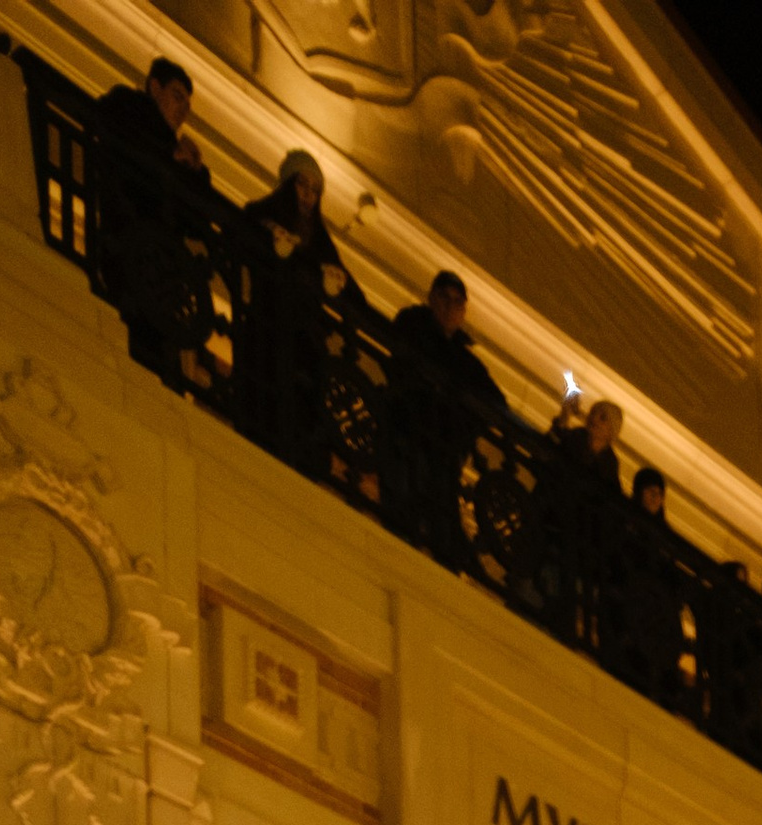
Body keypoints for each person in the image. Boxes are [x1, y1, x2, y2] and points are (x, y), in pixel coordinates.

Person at [86, 58, 216, 393]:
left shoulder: (176, 150)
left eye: (187, 103)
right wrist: (169, 158)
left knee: (156, 346)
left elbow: (198, 223)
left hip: (161, 267)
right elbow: (113, 135)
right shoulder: (126, 107)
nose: (183, 108)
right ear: (154, 87)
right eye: (177, 96)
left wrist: (196, 173)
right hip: (128, 245)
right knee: (132, 329)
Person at [232, 149, 361, 477]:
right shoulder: (264, 215)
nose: (308, 195)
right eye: (303, 185)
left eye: (315, 190)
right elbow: (241, 231)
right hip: (268, 325)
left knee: (300, 405)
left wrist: (337, 282)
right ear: (289, 185)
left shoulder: (320, 241)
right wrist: (268, 239)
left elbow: (353, 294)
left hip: (305, 342)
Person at [383, 273, 513, 568]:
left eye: (458, 302)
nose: (450, 307)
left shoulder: (466, 360)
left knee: (440, 512)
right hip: (410, 434)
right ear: (431, 299)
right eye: (445, 298)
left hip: (443, 450)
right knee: (405, 506)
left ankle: (446, 559)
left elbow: (498, 406)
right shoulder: (412, 325)